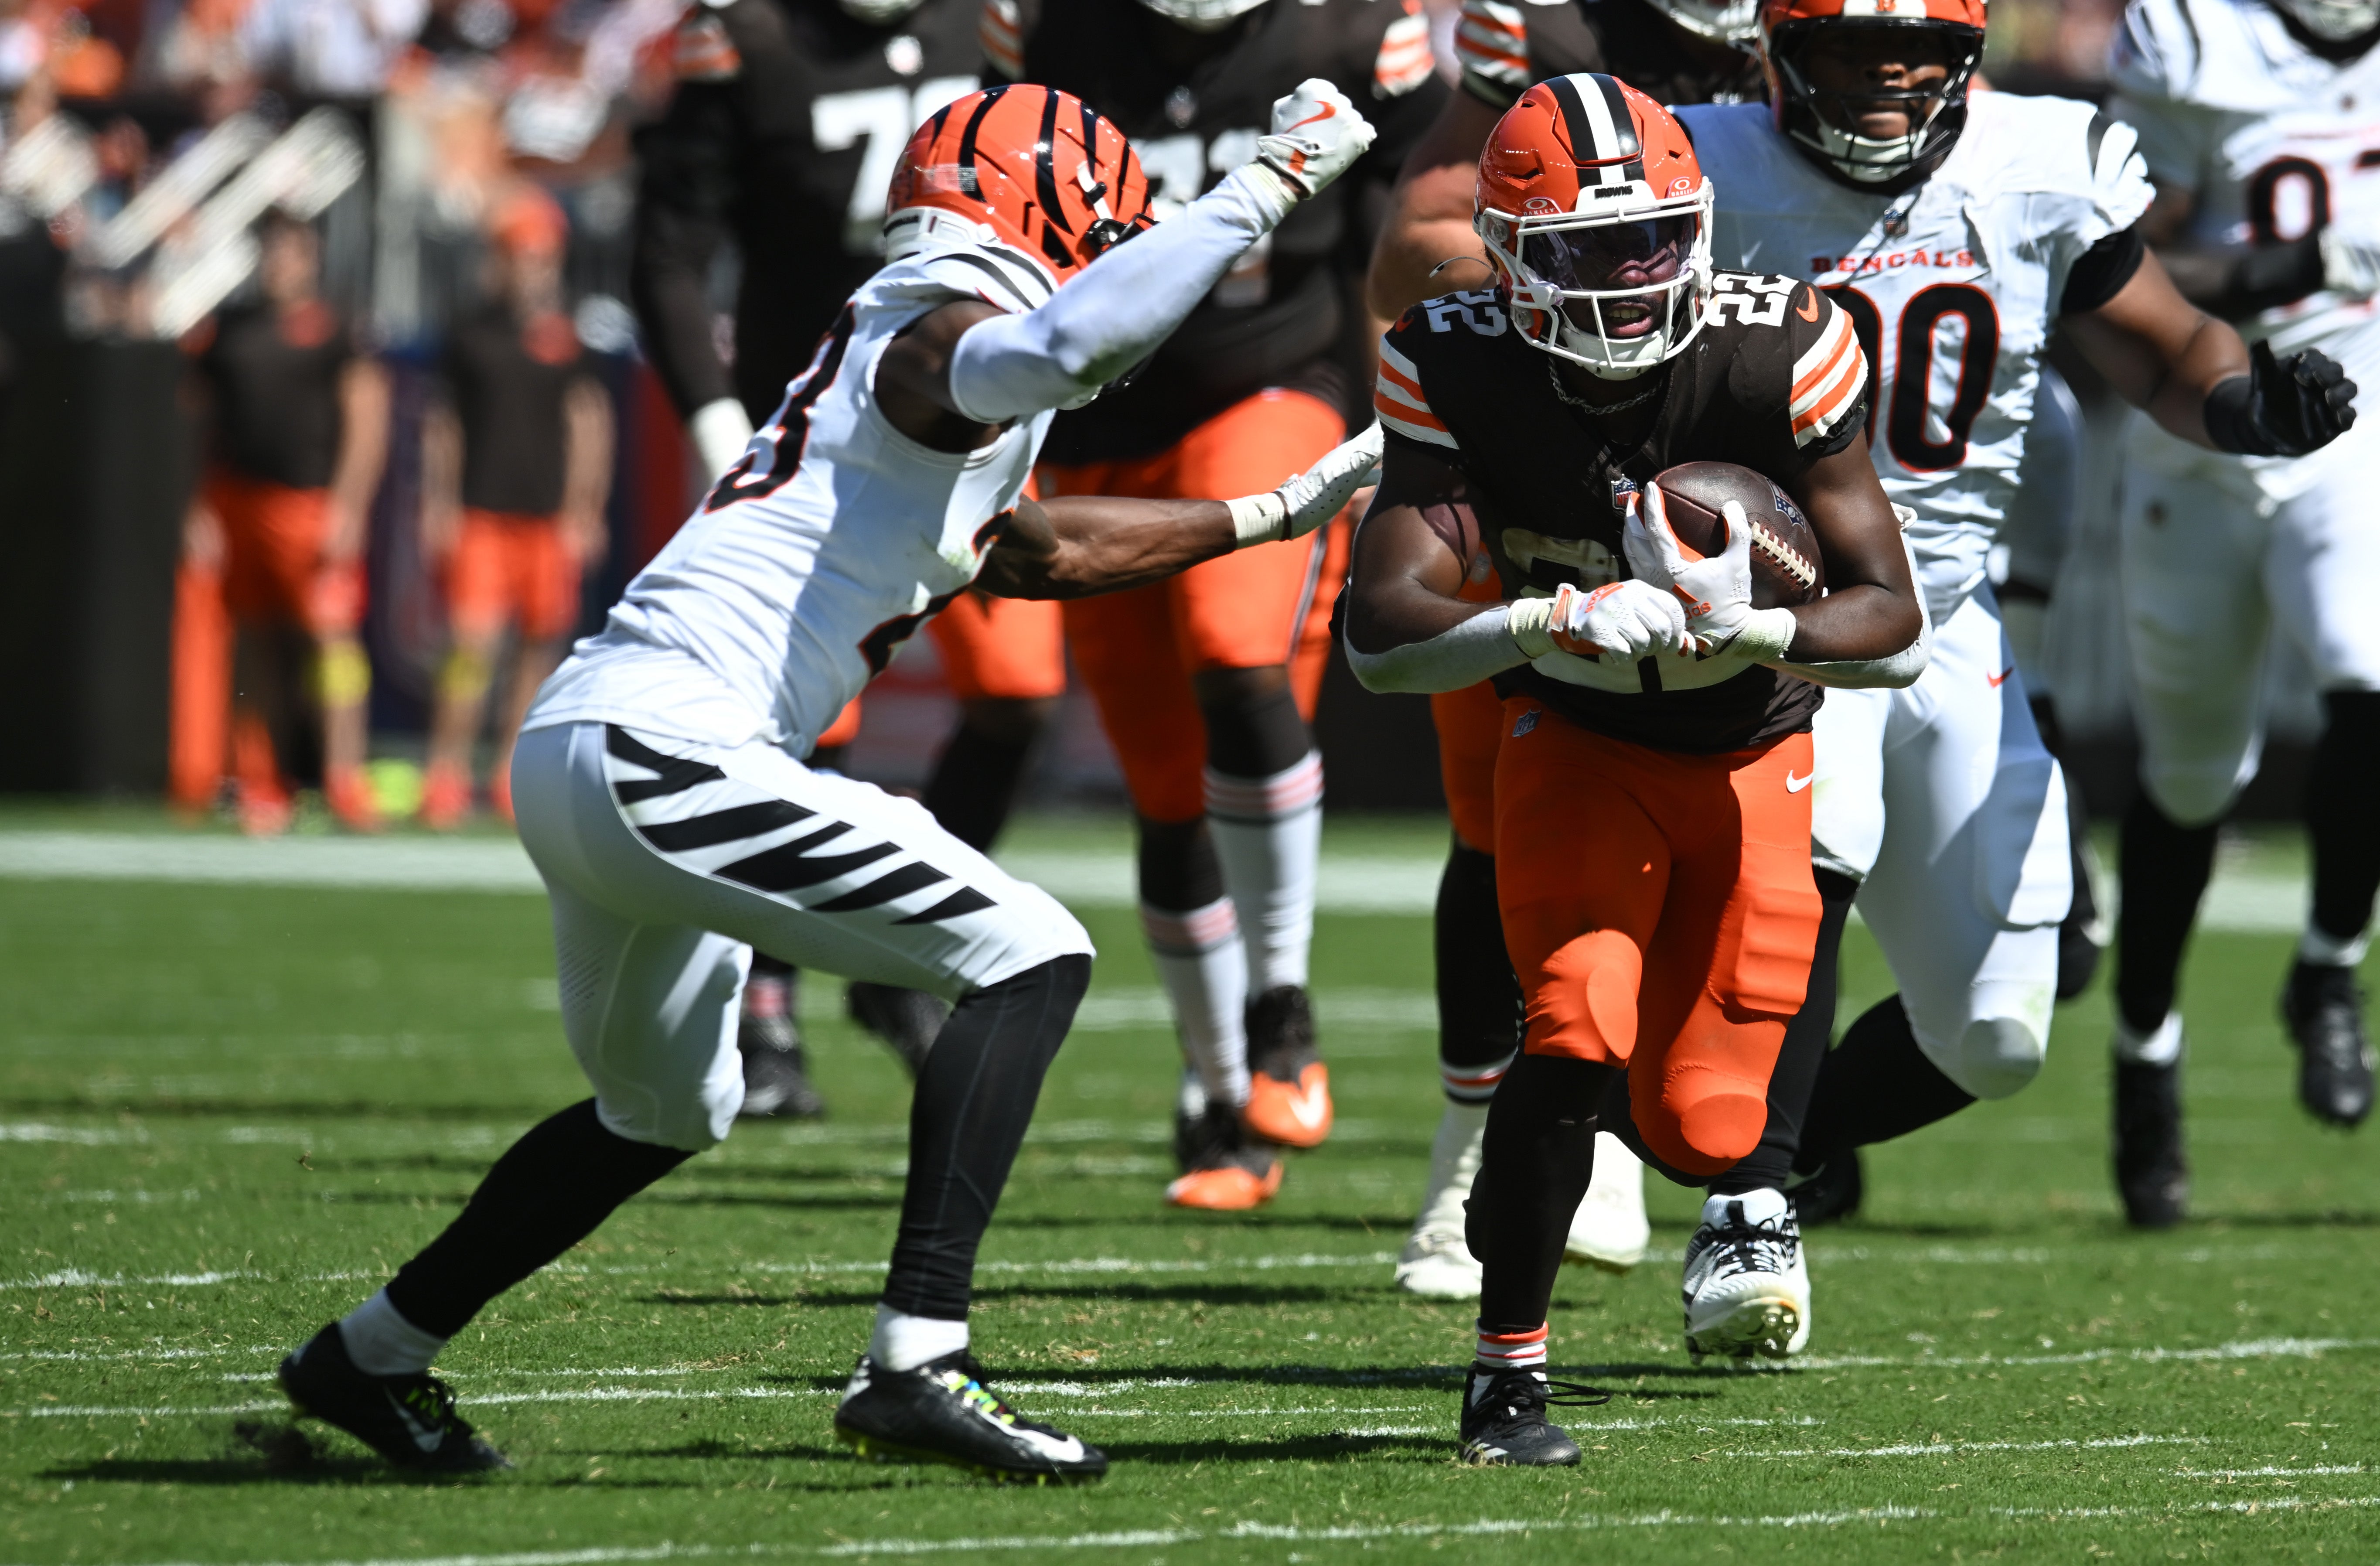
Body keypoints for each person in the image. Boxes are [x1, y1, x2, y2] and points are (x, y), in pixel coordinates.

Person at [274, 78, 1383, 1484]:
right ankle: (918, 1359)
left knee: (668, 1107)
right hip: (667, 745)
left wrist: (1274, 512)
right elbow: (1051, 348)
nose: (1120, 247)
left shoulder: (916, 356)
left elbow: (1044, 554)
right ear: (1047, 214)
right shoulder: (939, 328)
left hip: (595, 747)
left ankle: (368, 1358)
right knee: (1031, 954)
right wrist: (1263, 189)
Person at [1668, 0, 2354, 1277]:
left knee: (1997, 1036)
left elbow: (2163, 354)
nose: (1889, 78)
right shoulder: (1701, 167)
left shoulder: (2034, 162)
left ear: (1966, 59)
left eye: (1919, 51)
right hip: (1779, 614)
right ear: (1780, 53)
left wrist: (2251, 403)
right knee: (1818, 851)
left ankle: (1750, 1138)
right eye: (1853, 50)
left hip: (1945, 616)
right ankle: (1747, 1213)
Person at [1345, 76, 1924, 1463]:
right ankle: (1507, 1377)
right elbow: (1381, 634)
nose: (1628, 279)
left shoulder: (1782, 345)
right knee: (1570, 1030)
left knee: (1706, 1128)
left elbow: (1893, 621)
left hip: (1751, 750)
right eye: (1590, 251)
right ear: (1505, 252)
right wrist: (1544, 616)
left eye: (1655, 241)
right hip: (1578, 739)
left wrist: (1760, 624)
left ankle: (1568, 1159)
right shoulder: (1454, 351)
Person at [989, 0, 1445, 1209]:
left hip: (1270, 379)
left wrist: (1410, 422)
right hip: (1092, 420)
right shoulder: (1041, 31)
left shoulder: (1354, 34)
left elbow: (1403, 245)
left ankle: (1280, 1001)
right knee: (1162, 785)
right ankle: (1220, 1097)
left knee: (1236, 653)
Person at [1364, 0, 1766, 1302]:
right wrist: (1581, 282)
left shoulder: (1829, 34)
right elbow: (1419, 247)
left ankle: (1690, 1144)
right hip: (1534, 465)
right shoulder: (1528, 25)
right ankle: (1472, 1143)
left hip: (1728, 463)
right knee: (1497, 821)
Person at [631, 0, 1062, 1115]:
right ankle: (764, 1003)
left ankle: (888, 951)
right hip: (813, 444)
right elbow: (668, 251)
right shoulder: (749, 36)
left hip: (971, 435)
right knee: (800, 725)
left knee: (1019, 693)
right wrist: (722, 429)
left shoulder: (994, 28)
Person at [2100, 0, 2376, 1227]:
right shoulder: (2188, 37)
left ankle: (2327, 967)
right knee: (2193, 778)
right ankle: (2143, 1049)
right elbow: (2112, 272)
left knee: (2370, 679)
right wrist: (2295, 268)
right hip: (2201, 437)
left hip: (2353, 430)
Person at [183, 209, 389, 835]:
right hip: (239, 500)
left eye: (291, 251)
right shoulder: (230, 330)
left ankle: (344, 780)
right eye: (271, 251)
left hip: (310, 506)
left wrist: (349, 507)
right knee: (258, 647)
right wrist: (197, 508)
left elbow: (366, 419)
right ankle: (262, 783)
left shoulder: (335, 332)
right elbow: (197, 423)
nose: (281, 263)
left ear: (311, 258)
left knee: (331, 643)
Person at [420, 189, 613, 830]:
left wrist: (585, 509)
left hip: (546, 520)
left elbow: (588, 422)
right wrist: (439, 504)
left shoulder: (567, 337)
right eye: (520, 256)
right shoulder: (471, 333)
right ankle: (445, 772)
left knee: (537, 648)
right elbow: (443, 426)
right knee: (471, 646)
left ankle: (506, 773)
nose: (531, 269)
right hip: (481, 512)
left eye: (541, 258)